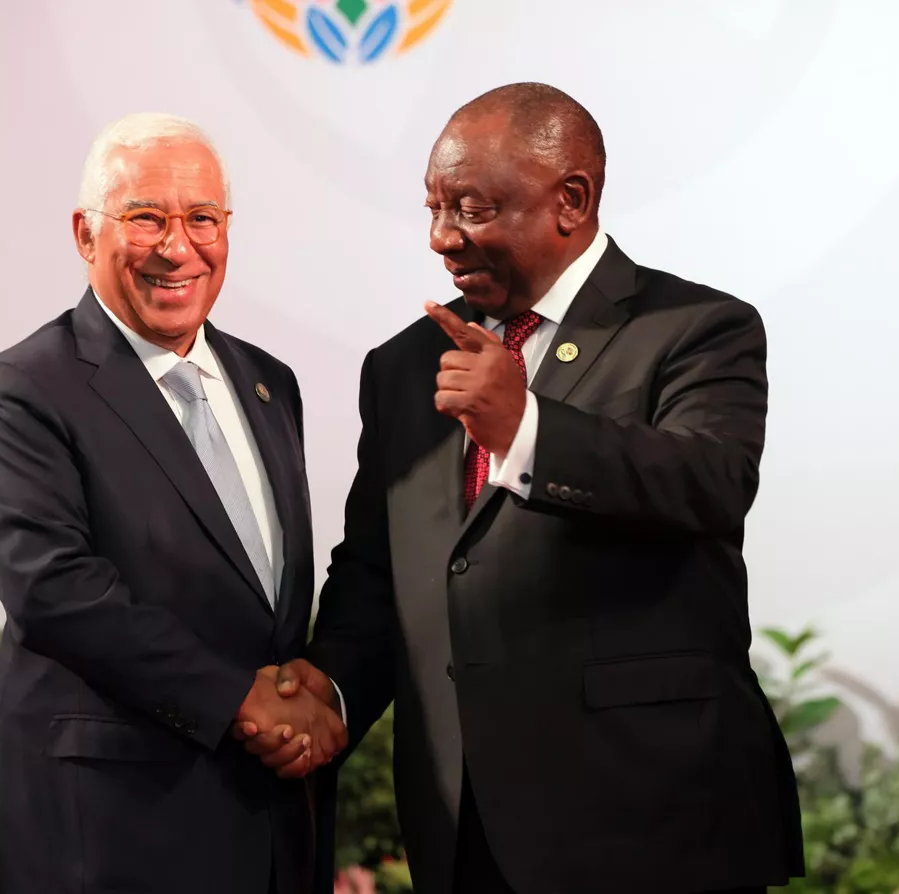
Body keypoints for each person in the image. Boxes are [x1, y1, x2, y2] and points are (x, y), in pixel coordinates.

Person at [244, 83, 805, 892]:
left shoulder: (696, 329)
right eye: (434, 208)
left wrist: (526, 429)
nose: (442, 239)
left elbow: (709, 482)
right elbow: (379, 570)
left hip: (652, 822)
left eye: (469, 208)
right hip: (467, 828)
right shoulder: (403, 366)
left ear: (569, 200)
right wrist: (327, 693)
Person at [0, 112, 345, 894]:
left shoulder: (270, 382)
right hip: (101, 837)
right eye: (145, 218)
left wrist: (316, 693)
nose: (178, 246)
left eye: (203, 218)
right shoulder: (21, 391)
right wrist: (239, 699)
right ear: (84, 233)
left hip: (265, 830)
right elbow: (56, 592)